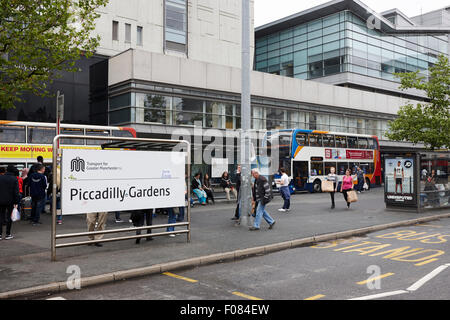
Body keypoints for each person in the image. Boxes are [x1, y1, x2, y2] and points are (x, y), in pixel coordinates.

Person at [0, 166, 20, 240]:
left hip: (0, 200)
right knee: (9, 217)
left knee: (1, 216)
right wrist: (16, 202)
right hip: (10, 201)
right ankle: (8, 234)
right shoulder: (14, 179)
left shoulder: (0, 177)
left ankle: (0, 234)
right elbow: (16, 192)